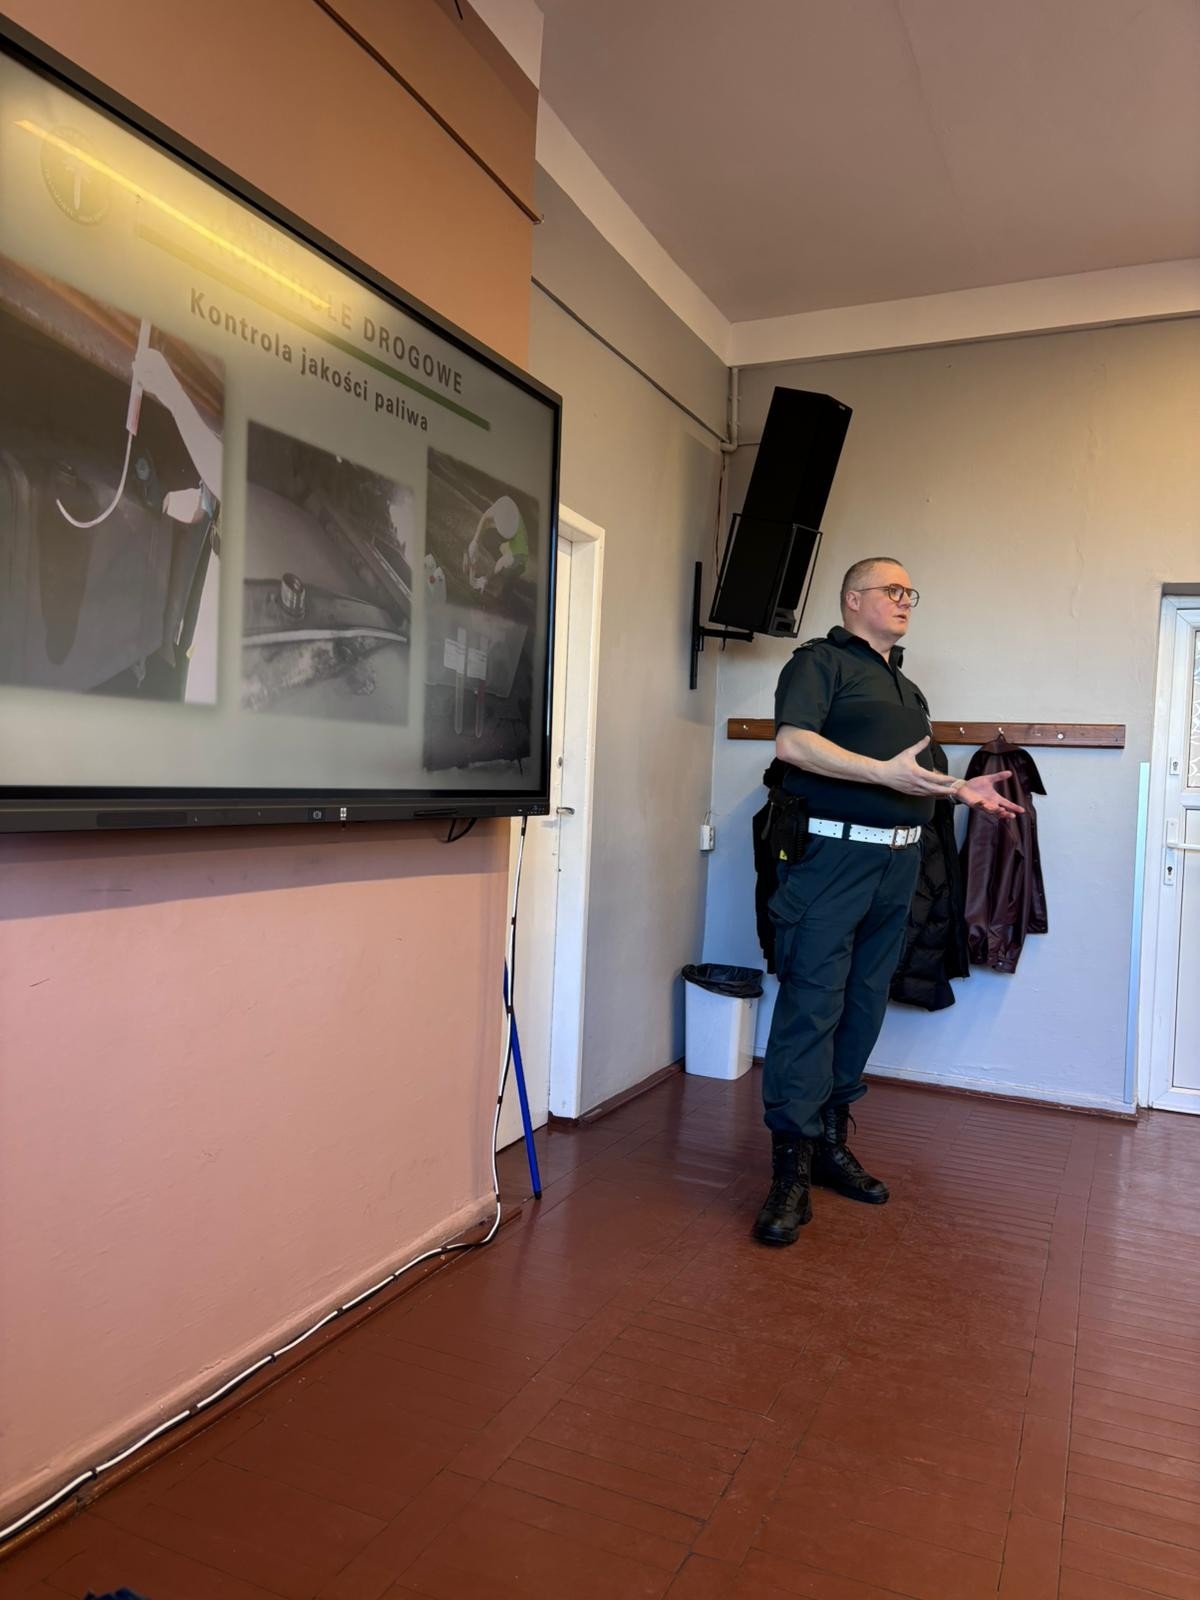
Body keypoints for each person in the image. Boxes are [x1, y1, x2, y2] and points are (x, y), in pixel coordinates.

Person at [753, 557, 1023, 1246]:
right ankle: (788, 1169)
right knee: (812, 1005)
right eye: (892, 590)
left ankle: (829, 1145)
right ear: (853, 599)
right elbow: (792, 743)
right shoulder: (820, 663)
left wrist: (959, 790)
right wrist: (879, 772)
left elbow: (913, 776)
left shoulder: (905, 685)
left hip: (898, 863)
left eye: (911, 592)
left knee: (865, 1003)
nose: (905, 600)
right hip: (831, 861)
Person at [463, 495, 529, 592]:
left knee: (507, 572)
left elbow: (501, 563)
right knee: (488, 537)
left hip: (518, 559)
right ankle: (498, 560)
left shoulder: (519, 547)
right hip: (507, 545)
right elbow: (485, 518)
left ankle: (510, 581)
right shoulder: (504, 507)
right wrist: (475, 542)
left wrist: (485, 579)